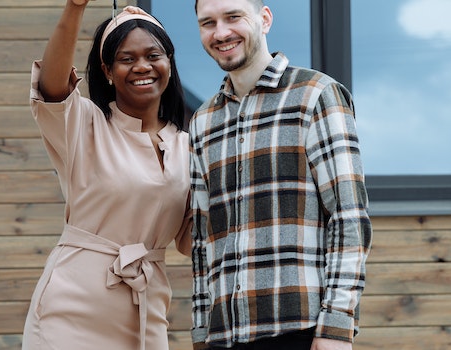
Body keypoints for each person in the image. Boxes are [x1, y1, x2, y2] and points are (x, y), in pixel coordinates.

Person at [188, 0, 373, 349]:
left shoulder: (316, 95)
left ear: (265, 19)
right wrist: (201, 332)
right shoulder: (202, 122)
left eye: (233, 17)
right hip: (224, 336)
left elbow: (348, 218)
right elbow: (202, 240)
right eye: (207, 23)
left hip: (301, 332)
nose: (221, 32)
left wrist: (336, 325)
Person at [21, 1, 193, 350]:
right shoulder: (85, 125)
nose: (142, 66)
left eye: (153, 55)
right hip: (72, 310)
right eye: (127, 59)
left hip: (148, 309)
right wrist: (75, 7)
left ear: (169, 64)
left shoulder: (189, 146)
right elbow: (53, 86)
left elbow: (192, 239)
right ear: (108, 71)